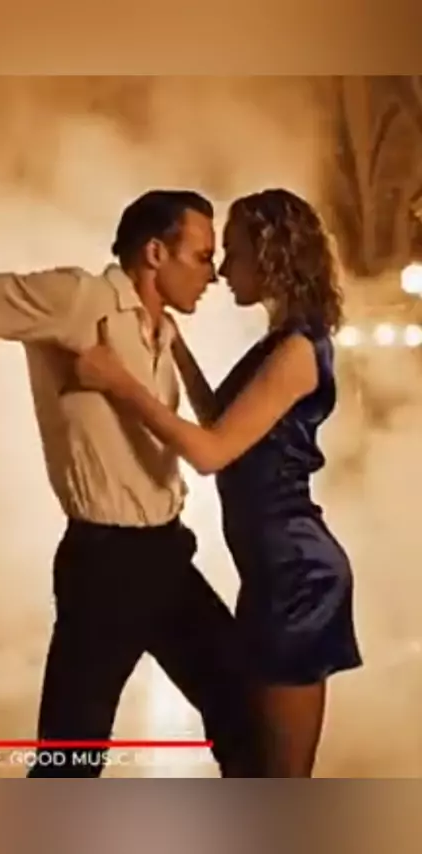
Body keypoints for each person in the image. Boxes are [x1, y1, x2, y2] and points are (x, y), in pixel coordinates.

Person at [0, 190, 265, 778]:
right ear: (154, 253)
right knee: (71, 759)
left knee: (245, 715)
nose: (214, 274)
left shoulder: (162, 330)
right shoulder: (79, 299)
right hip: (104, 566)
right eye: (201, 256)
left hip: (168, 556)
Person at [75, 188, 363, 778]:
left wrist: (120, 384)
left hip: (297, 576)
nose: (223, 271)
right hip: (271, 571)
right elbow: (220, 422)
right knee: (252, 761)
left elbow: (210, 454)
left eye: (233, 253)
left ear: (270, 256)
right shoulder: (280, 343)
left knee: (278, 778)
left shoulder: (297, 351)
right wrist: (175, 347)